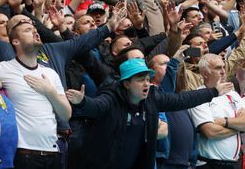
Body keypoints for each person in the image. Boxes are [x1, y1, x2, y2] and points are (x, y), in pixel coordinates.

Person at [65, 58, 232, 169]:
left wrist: (213, 92)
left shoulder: (152, 98)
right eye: (140, 79)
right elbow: (96, 107)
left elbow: (182, 100)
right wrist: (82, 101)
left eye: (147, 79)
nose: (146, 83)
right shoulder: (112, 98)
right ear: (127, 84)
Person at [0, 19, 72, 169]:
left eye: (34, 29)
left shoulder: (50, 73)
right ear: (15, 41)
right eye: (28, 30)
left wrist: (49, 91)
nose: (35, 31)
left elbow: (66, 114)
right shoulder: (4, 69)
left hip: (54, 153)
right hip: (25, 154)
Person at [188, 54, 245, 168]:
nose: (223, 71)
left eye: (224, 67)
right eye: (218, 68)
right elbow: (210, 132)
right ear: (205, 73)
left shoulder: (233, 94)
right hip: (210, 164)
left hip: (234, 164)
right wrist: (239, 127)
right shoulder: (198, 96)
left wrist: (224, 121)